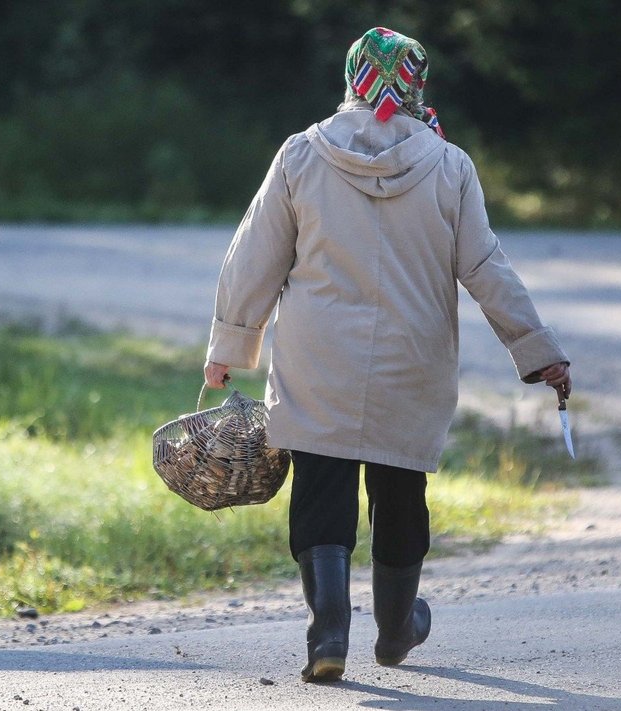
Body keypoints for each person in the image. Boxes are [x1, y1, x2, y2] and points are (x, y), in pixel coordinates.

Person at [203, 27, 571, 683]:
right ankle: (397, 627)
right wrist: (537, 349)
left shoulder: (301, 156)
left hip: (318, 356)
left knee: (321, 486)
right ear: (415, 86)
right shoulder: (450, 166)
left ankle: (329, 633)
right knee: (401, 491)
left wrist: (230, 345)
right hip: (412, 356)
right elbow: (486, 267)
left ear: (352, 81)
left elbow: (253, 255)